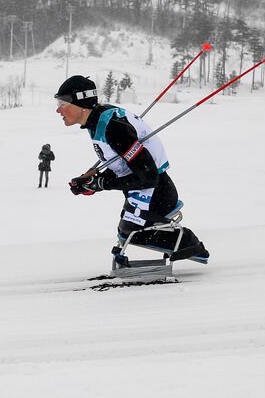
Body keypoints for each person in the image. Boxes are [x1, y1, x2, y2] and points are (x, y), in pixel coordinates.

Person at [54, 74, 209, 264]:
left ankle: (187, 243)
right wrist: (91, 183)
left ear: (80, 103)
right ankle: (183, 244)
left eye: (62, 104)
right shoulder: (97, 122)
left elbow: (148, 176)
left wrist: (102, 183)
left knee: (129, 231)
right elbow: (121, 164)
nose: (58, 110)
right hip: (145, 191)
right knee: (126, 231)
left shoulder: (112, 126)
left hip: (158, 194)